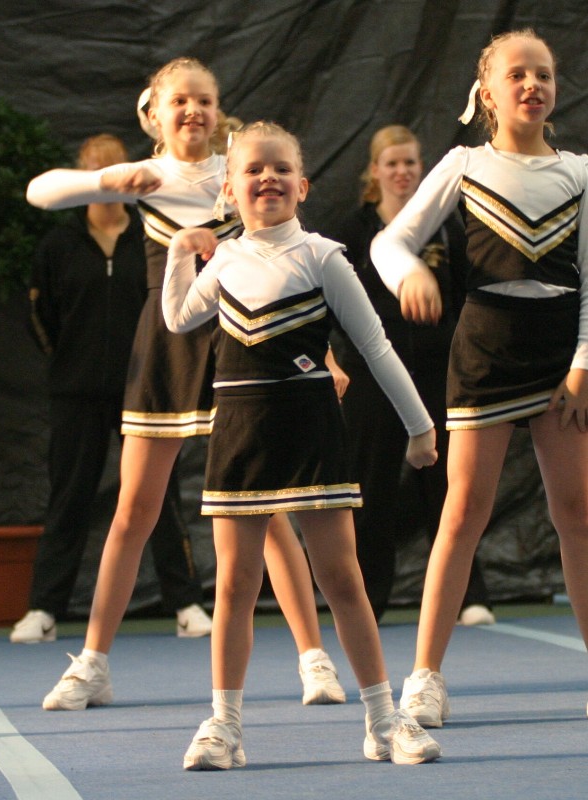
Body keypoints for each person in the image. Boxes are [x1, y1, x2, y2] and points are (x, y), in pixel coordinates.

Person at [25, 58, 345, 710]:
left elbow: (292, 267)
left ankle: (314, 659)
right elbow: (40, 191)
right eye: (180, 101)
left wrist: (329, 354)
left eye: (203, 99)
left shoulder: (240, 170)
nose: (193, 110)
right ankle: (92, 664)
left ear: (218, 108)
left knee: (267, 511)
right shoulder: (146, 178)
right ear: (155, 115)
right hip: (166, 351)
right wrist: (108, 178)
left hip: (245, 347)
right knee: (133, 511)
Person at [162, 120, 442, 770]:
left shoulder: (322, 256)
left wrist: (420, 425)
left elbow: (375, 346)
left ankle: (383, 719)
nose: (268, 178)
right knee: (235, 583)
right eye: (253, 169)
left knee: (341, 577)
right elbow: (178, 318)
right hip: (240, 435)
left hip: (312, 432)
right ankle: (224, 725)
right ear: (229, 190)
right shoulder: (224, 261)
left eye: (281, 168)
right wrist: (179, 249)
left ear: (303, 185)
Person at [370, 29, 588, 727]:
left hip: (562, 359)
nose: (532, 84)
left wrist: (582, 365)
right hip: (486, 349)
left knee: (578, 515)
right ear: (486, 92)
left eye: (543, 74)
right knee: (462, 511)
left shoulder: (581, 172)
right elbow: (389, 241)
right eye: (516, 74)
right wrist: (409, 273)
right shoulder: (464, 164)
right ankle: (425, 677)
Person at [11, 133, 211, 644]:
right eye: (96, 172)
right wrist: (70, 364)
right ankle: (44, 609)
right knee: (69, 497)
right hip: (76, 394)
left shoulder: (150, 233)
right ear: (86, 177)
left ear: (129, 175)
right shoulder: (58, 245)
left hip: (143, 390)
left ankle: (186, 603)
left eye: (114, 170)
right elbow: (40, 316)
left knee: (159, 497)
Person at [331, 125, 494, 626]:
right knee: (371, 487)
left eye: (410, 163)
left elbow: (466, 296)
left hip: (437, 373)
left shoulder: (443, 227)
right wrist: (335, 360)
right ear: (374, 172)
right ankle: (368, 601)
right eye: (392, 163)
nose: (402, 172)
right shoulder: (355, 231)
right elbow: (331, 301)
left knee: (449, 484)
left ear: (422, 169)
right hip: (372, 375)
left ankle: (468, 595)